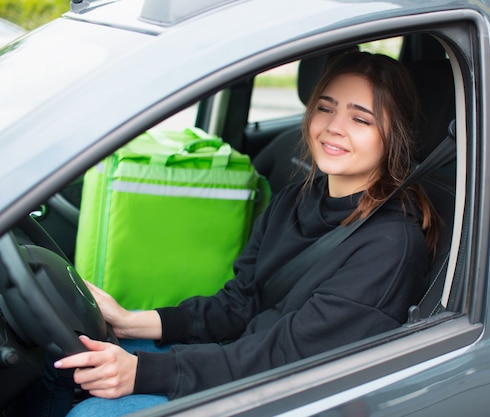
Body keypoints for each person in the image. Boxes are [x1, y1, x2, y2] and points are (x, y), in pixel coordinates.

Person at [15, 51, 439, 417]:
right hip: (246, 358)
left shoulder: (390, 246)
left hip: (287, 390)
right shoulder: (297, 197)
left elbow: (290, 358)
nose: (333, 127)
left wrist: (143, 371)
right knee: (64, 367)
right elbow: (241, 301)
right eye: (326, 108)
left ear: (393, 136)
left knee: (93, 411)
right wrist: (131, 322)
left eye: (360, 119)